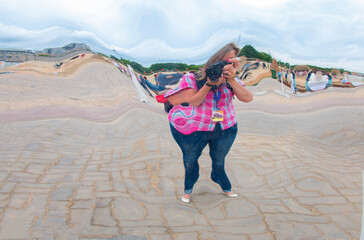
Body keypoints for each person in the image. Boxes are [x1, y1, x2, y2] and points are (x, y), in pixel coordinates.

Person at [164, 43, 253, 203]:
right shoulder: (193, 78)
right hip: (198, 128)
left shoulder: (232, 79)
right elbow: (194, 102)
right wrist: (209, 84)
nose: (226, 65)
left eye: (231, 61)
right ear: (215, 59)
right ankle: (188, 188)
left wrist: (232, 80)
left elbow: (247, 98)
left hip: (226, 128)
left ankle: (221, 181)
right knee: (190, 160)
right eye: (224, 60)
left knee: (219, 160)